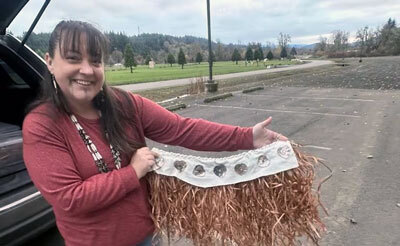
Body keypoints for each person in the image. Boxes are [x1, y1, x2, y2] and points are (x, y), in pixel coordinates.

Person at [22, 20, 287, 246]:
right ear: (50, 62)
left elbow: (181, 129)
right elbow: (71, 199)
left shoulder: (124, 104)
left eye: (96, 60)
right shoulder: (42, 125)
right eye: (73, 58)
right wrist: (133, 171)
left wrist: (248, 137)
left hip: (147, 237)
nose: (87, 70)